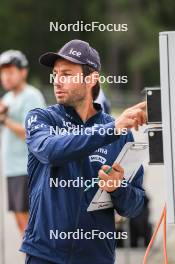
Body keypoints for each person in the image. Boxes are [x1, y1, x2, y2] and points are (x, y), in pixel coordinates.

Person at [20, 39, 147, 264]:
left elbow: (134, 205)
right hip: (44, 254)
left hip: (96, 257)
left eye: (67, 74)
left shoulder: (120, 132)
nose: (57, 81)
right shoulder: (41, 117)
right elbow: (51, 150)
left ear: (92, 78)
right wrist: (112, 129)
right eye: (56, 73)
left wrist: (118, 187)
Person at [0, 50, 46, 235]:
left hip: (26, 168)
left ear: (23, 72)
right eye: (3, 73)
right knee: (21, 222)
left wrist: (4, 120)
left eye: (10, 72)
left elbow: (32, 132)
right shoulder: (7, 98)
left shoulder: (31, 96)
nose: (6, 77)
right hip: (12, 168)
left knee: (31, 223)